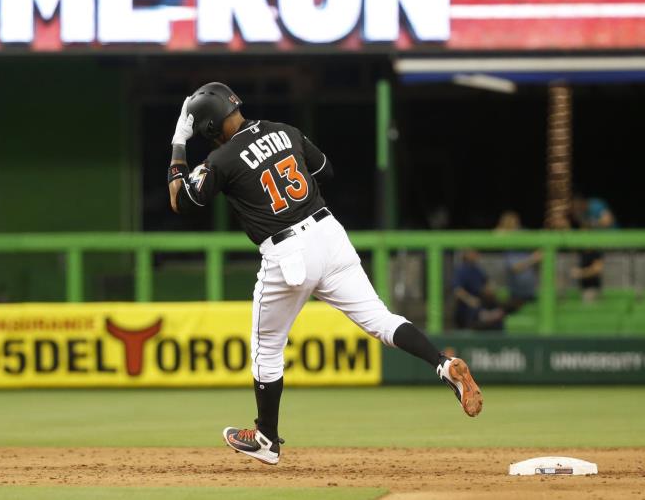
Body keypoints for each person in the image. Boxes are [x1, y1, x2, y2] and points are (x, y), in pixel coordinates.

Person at [166, 82, 482, 466]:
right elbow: (324, 169)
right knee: (381, 319)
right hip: (328, 232)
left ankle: (266, 437)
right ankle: (443, 364)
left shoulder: (223, 159)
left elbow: (181, 200)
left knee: (267, 348)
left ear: (211, 128)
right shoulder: (285, 130)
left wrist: (180, 143)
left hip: (287, 252)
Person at [495, 211, 540, 311]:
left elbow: (538, 244)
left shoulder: (523, 235)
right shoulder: (509, 249)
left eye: (516, 223)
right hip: (516, 292)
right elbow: (515, 268)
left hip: (531, 289)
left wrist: (536, 256)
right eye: (512, 224)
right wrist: (532, 259)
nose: (516, 227)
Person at [452, 249, 505, 330]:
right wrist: (470, 300)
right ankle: (485, 316)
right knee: (475, 308)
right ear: (466, 255)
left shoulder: (477, 269)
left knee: (497, 309)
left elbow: (487, 284)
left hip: (481, 302)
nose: (476, 255)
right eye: (473, 253)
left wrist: (491, 289)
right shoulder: (461, 270)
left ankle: (489, 317)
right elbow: (457, 290)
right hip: (467, 307)